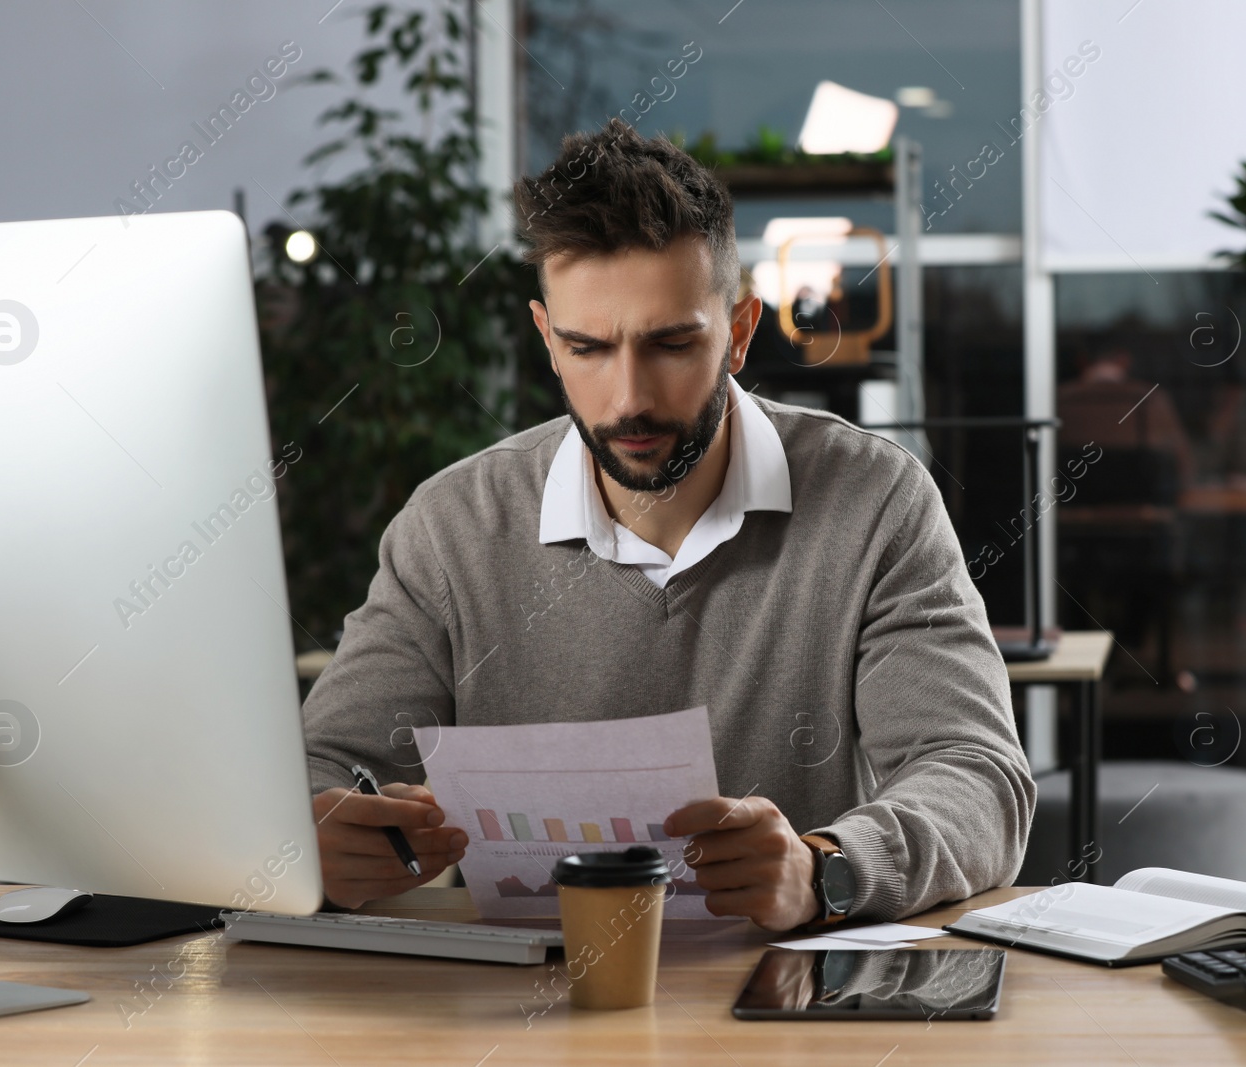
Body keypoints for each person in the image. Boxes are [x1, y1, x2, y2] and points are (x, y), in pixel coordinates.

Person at [303, 117, 1034, 932]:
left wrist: (824, 867)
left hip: (780, 1011)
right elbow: (321, 766)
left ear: (741, 332)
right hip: (515, 1020)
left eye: (672, 345)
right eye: (587, 348)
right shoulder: (450, 530)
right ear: (547, 340)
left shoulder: (875, 503)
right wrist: (315, 842)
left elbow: (975, 776)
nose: (628, 400)